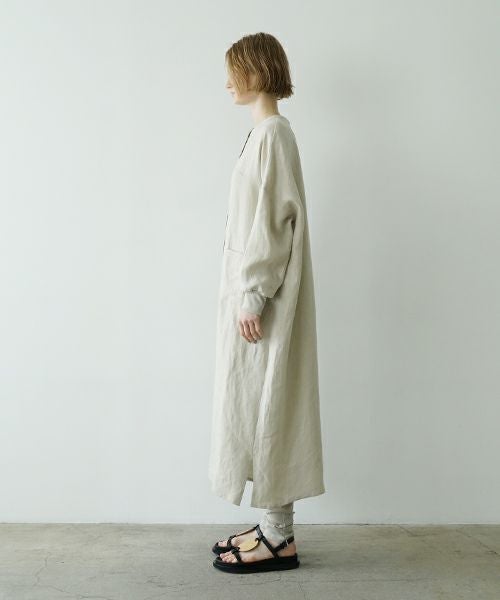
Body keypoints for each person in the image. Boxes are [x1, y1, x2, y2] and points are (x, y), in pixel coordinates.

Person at [208, 32, 325, 574]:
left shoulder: (274, 133)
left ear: (256, 71)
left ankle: (279, 538)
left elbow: (275, 223)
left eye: (234, 71)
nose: (227, 83)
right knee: (257, 406)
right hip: (253, 295)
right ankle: (270, 525)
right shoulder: (263, 133)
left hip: (265, 299)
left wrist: (253, 294)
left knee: (271, 407)